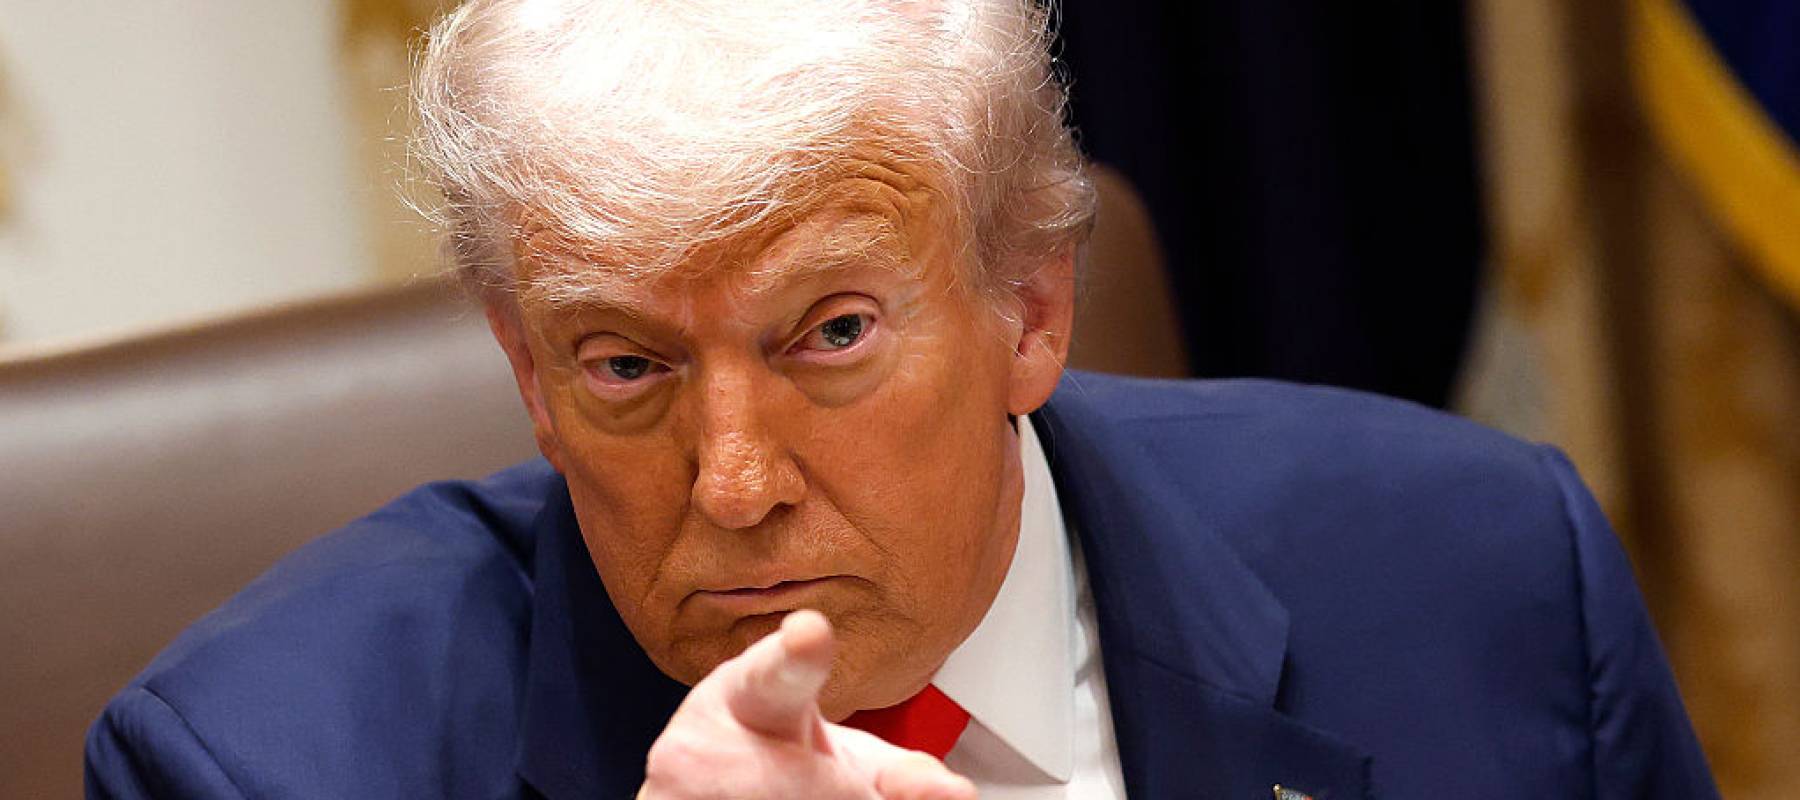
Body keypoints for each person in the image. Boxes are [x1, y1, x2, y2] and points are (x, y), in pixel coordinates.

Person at [84, 1, 1719, 797]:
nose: (732, 482)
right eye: (626, 365)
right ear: (525, 368)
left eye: (832, 334)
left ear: (1030, 308)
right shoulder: (259, 770)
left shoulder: (1486, 578)